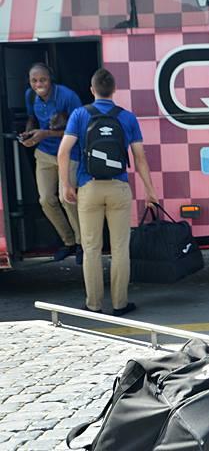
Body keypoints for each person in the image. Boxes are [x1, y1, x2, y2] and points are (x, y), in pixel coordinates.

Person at [57, 68, 158, 316]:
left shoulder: (80, 114)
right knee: (120, 248)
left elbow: (63, 152)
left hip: (89, 187)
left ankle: (93, 305)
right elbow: (140, 158)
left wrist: (66, 185)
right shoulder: (127, 117)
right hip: (118, 187)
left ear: (92, 90)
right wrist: (150, 191)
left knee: (91, 248)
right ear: (114, 90)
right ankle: (120, 304)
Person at [21, 63, 83, 263]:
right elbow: (31, 118)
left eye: (43, 80)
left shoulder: (68, 96)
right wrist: (28, 133)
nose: (38, 84)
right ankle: (69, 241)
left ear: (51, 80)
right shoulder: (30, 95)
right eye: (34, 80)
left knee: (67, 198)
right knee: (46, 200)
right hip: (44, 153)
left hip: (69, 152)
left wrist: (45, 134)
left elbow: (80, 129)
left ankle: (82, 244)